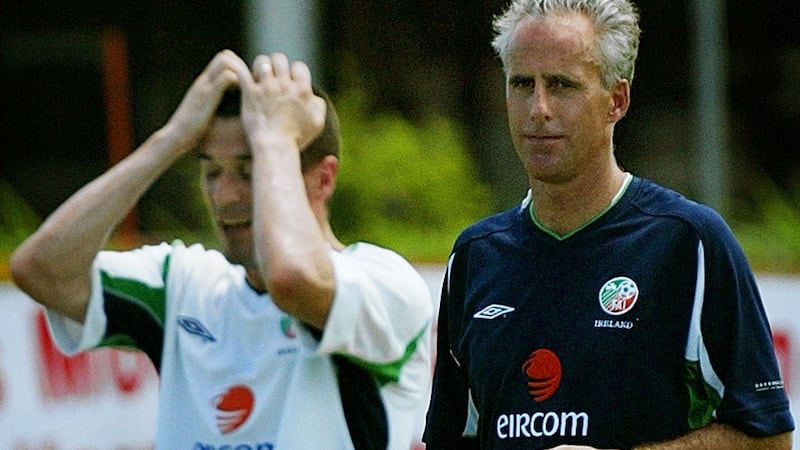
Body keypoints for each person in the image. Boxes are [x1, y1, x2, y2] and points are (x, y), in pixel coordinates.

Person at [10, 50, 433, 450]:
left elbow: (290, 278)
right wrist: (171, 138)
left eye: (250, 171)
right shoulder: (182, 282)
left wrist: (276, 138)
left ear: (323, 180)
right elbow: (39, 269)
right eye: (211, 172)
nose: (224, 196)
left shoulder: (384, 284)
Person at [423, 0, 794, 449]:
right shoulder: (475, 255)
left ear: (616, 100)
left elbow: (769, 439)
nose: (538, 108)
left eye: (562, 85)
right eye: (522, 84)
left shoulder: (688, 243)